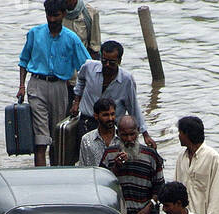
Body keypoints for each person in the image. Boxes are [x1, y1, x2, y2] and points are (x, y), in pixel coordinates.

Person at [17, 1, 91, 168]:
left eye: (55, 15)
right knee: (41, 138)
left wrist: (78, 101)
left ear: (63, 14)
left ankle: (56, 173)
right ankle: (41, 176)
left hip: (60, 87)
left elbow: (86, 68)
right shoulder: (34, 34)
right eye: (49, 15)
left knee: (57, 137)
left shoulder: (72, 39)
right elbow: (23, 61)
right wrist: (21, 86)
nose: (52, 19)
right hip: (37, 85)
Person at [71, 42, 153, 142]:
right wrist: (76, 102)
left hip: (111, 127)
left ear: (119, 61)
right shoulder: (89, 67)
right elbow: (80, 80)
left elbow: (133, 107)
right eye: (104, 61)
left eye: (112, 62)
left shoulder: (126, 80)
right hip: (87, 123)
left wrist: (145, 134)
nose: (107, 65)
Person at [77, 97, 121, 166]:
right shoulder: (87, 140)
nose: (110, 118)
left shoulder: (122, 137)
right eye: (105, 115)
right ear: (96, 116)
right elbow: (83, 167)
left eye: (112, 114)